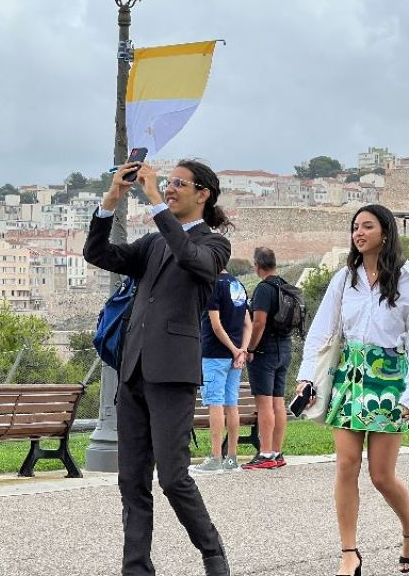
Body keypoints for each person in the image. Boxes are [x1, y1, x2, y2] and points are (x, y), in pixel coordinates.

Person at [84, 159, 233, 576]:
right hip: (132, 370)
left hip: (172, 373)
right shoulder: (152, 244)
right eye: (166, 183)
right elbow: (97, 253)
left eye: (178, 184)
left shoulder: (214, 245)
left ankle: (212, 553)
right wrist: (112, 198)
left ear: (202, 194)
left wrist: (153, 202)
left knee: (173, 477)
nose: (168, 189)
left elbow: (194, 262)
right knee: (131, 480)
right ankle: (136, 568)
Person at [297, 204, 409, 576]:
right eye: (355, 227)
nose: (359, 233)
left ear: (385, 233)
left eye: (367, 226)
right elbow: (321, 331)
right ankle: (349, 554)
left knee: (381, 476)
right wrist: (307, 376)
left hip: (390, 379)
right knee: (345, 465)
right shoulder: (345, 278)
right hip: (349, 377)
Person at [192, 267, 251, 474]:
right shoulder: (238, 286)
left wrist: (234, 350)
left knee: (215, 403)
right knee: (231, 403)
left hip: (215, 354)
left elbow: (215, 326)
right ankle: (232, 458)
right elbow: (247, 324)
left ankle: (216, 457)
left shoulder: (213, 286)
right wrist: (242, 350)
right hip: (235, 356)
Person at [243, 246, 292, 470]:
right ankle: (277, 451)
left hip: (265, 351)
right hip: (285, 347)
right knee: (278, 401)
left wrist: (250, 347)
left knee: (264, 404)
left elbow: (259, 322)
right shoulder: (284, 285)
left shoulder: (264, 289)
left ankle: (265, 453)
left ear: (257, 265)